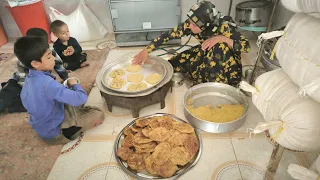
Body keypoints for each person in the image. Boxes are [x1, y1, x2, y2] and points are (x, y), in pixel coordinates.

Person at [133, 1, 251, 87]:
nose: (189, 26)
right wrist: (146, 50)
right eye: (189, 22)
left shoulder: (225, 26)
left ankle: (211, 84)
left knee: (218, 48)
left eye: (193, 25)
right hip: (206, 50)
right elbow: (168, 35)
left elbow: (246, 46)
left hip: (226, 61)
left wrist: (222, 38)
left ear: (205, 26)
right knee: (174, 64)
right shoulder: (193, 22)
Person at [14, 37, 104, 144]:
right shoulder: (48, 84)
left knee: (69, 97)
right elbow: (81, 99)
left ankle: (71, 120)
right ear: (35, 64)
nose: (53, 58)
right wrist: (74, 84)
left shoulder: (29, 78)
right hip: (54, 131)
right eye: (48, 57)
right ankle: (67, 132)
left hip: (45, 123)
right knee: (98, 114)